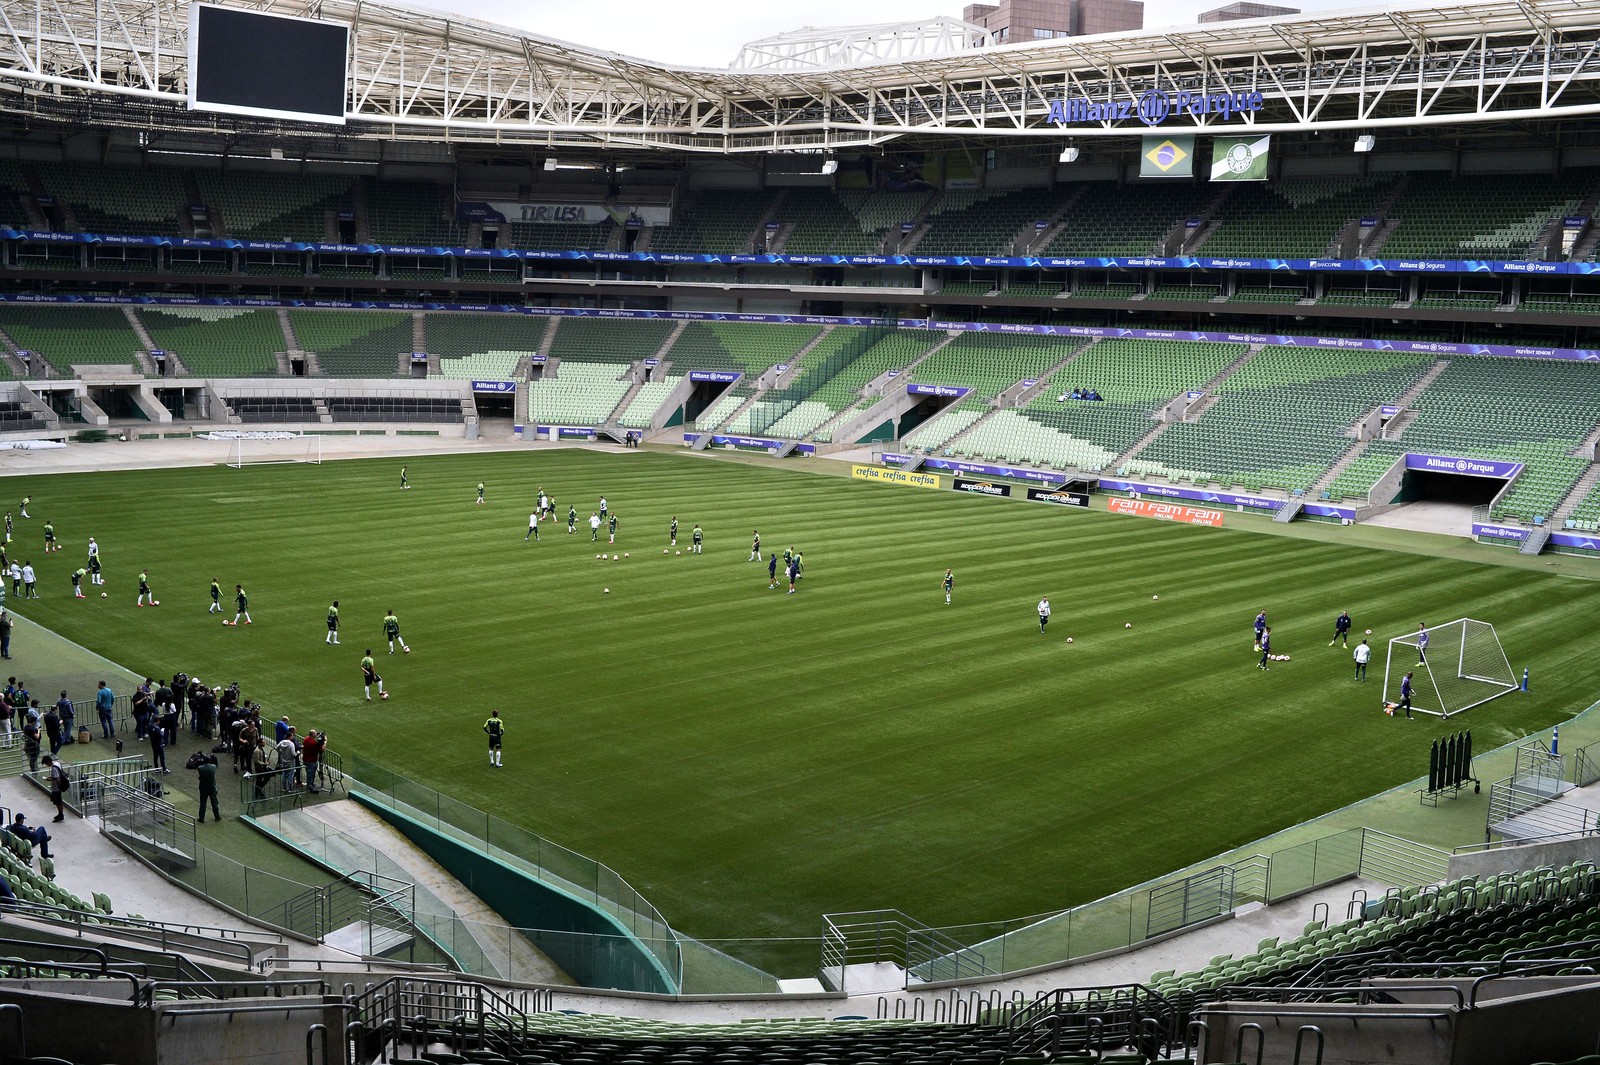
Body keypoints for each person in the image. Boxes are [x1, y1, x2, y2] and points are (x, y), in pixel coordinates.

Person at [193, 752, 219, 822]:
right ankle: (217, 816)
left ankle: (201, 817)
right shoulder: (213, 767)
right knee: (214, 802)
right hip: (212, 787)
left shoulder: (200, 768)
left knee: (203, 803)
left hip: (203, 787)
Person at [43, 754, 69, 821]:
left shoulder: (53, 769)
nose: (47, 765)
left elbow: (56, 778)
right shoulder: (57, 763)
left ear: (48, 761)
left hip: (56, 788)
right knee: (58, 801)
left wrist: (49, 779)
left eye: (46, 763)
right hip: (58, 787)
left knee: (58, 802)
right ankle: (60, 814)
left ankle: (60, 814)